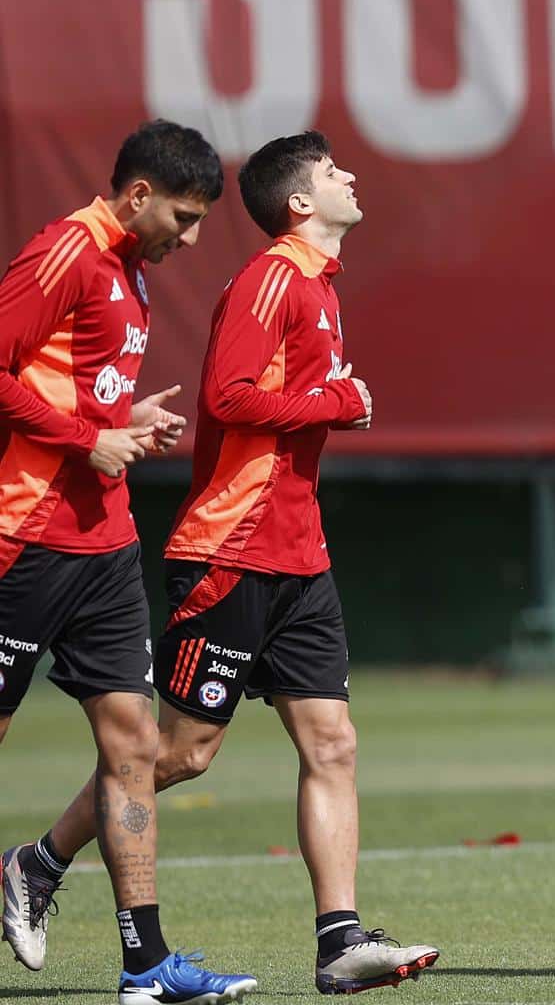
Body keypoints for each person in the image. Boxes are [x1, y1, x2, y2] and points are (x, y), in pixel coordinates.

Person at [18, 132, 436, 994]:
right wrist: (336, 401)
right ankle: (40, 864)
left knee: (332, 742)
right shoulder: (271, 278)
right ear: (300, 204)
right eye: (331, 172)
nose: (351, 175)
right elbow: (229, 397)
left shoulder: (316, 285)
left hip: (297, 550)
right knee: (179, 753)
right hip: (231, 549)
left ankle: (339, 941)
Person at [0, 119, 259, 1004]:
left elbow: (74, 389)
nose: (189, 239)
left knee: (134, 747)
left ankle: (146, 968)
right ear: (137, 194)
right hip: (21, 538)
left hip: (104, 545)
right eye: (182, 218)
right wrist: (87, 437)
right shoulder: (65, 251)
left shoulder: (132, 275)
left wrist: (124, 422)